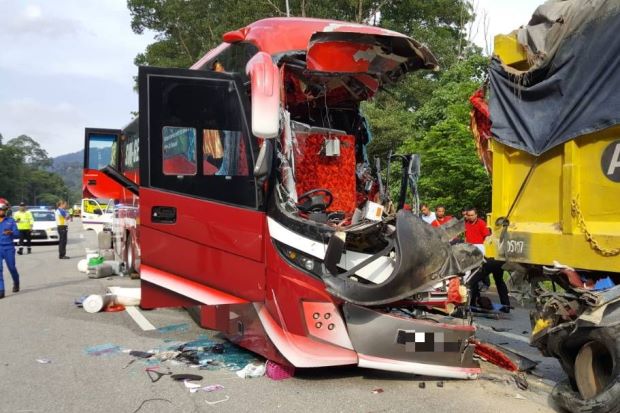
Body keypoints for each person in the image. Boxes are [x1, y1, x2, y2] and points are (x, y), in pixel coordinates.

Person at [464, 207, 510, 313]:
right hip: (489, 256)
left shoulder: (481, 224)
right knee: (499, 280)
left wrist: (484, 254)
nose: (470, 217)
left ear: (476, 215)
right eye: (468, 215)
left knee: (473, 280)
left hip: (486, 257)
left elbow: (487, 239)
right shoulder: (466, 224)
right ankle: (506, 304)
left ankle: (473, 303)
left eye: (472, 215)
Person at [0, 202, 20, 298]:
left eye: (3, 210)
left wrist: (11, 232)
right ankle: (1, 290)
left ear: (5, 211)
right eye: (0, 210)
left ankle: (16, 282)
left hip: (8, 248)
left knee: (11, 268)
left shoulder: (11, 221)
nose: (1, 211)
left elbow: (17, 234)